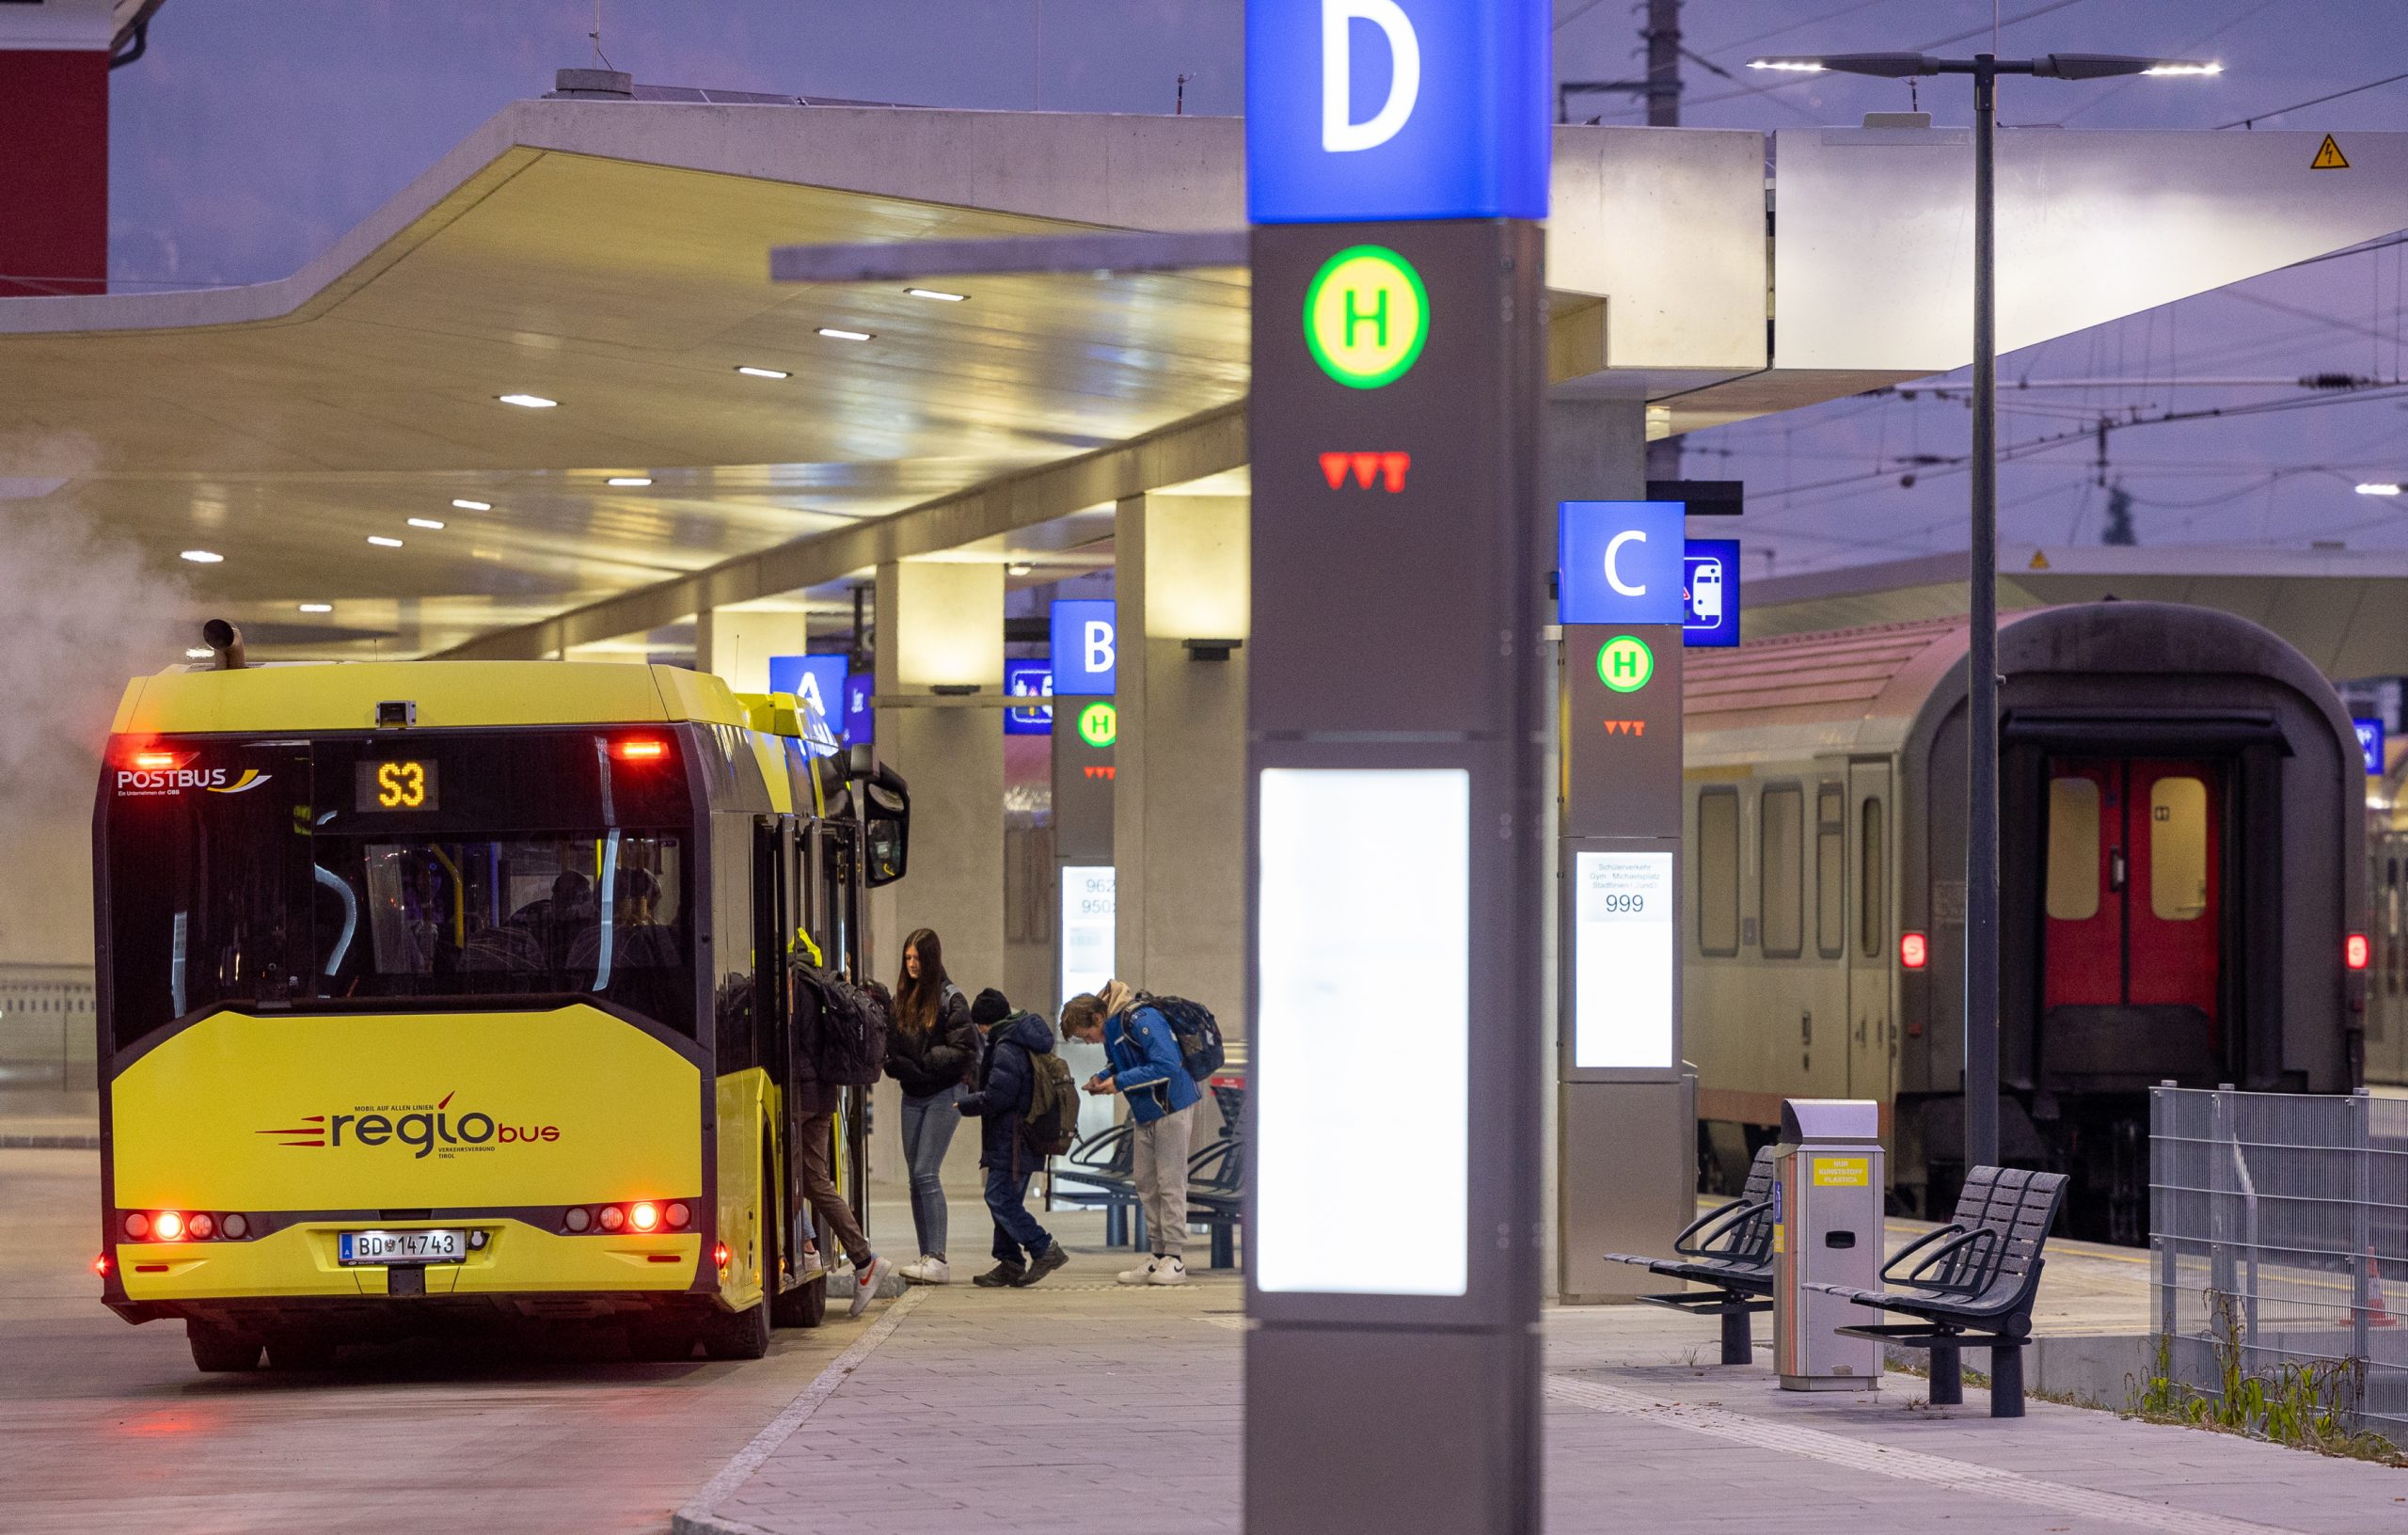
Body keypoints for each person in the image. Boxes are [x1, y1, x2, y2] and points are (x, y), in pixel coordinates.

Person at [1060, 981, 1200, 1286]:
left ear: (1097, 1018)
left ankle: (1175, 1259)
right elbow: (1123, 1061)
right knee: (1146, 1182)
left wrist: (1119, 1082)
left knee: (1170, 1182)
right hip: (1146, 1110)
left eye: (1087, 1036)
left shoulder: (1141, 1018)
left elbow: (1167, 1065)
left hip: (1171, 1106)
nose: (1089, 1042)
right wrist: (1103, 1077)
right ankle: (1158, 1254)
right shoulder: (1114, 1028)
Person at [789, 976, 893, 1317]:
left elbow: (793, 1043)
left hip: (800, 1095)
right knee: (813, 1179)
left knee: (788, 1176)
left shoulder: (798, 987)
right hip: (823, 1095)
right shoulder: (820, 986)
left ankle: (807, 1247)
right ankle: (864, 1260)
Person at [956, 987, 1068, 1288]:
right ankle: (1009, 1261)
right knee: (1005, 1198)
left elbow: (998, 1097)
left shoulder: (1006, 1046)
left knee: (999, 1197)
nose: (979, 1030)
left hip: (1013, 1138)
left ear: (988, 1022)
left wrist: (965, 1103)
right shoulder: (1017, 1037)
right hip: (1020, 1137)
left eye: (980, 1024)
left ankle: (1043, 1247)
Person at [883, 927, 978, 1284]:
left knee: (926, 1172)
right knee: (914, 1180)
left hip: (944, 1094)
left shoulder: (951, 999)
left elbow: (963, 1051)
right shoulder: (903, 998)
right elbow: (894, 1044)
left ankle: (938, 1257)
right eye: (907, 958)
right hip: (913, 1094)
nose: (911, 965)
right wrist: (896, 1064)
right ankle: (927, 1256)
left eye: (917, 958)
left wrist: (922, 1061)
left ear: (931, 959)